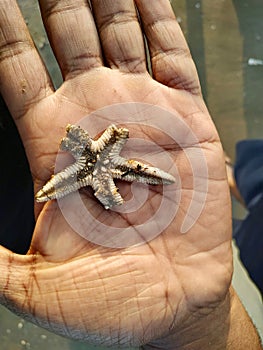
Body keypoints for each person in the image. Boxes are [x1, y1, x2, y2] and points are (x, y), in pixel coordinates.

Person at [0, 0, 261, 349]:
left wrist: (197, 327)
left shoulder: (101, 160)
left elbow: (101, 164)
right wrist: (199, 329)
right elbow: (77, 173)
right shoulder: (93, 159)